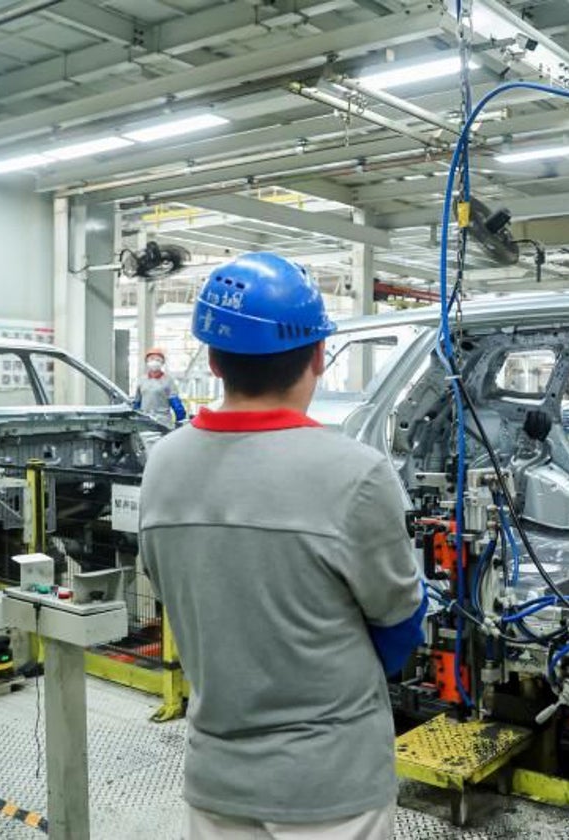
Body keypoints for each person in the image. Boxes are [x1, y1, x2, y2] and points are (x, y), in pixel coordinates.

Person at [139, 252, 426, 840]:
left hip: (215, 781)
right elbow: (400, 629)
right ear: (319, 356)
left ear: (213, 362)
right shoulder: (356, 474)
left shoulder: (162, 465)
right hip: (332, 791)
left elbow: (171, 592)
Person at [132, 348, 187, 427]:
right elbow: (137, 403)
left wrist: (181, 421)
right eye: (151, 359)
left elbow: (176, 404)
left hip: (163, 422)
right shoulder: (142, 380)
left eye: (158, 359)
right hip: (145, 421)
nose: (154, 361)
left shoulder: (168, 381)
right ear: (147, 362)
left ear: (162, 362)